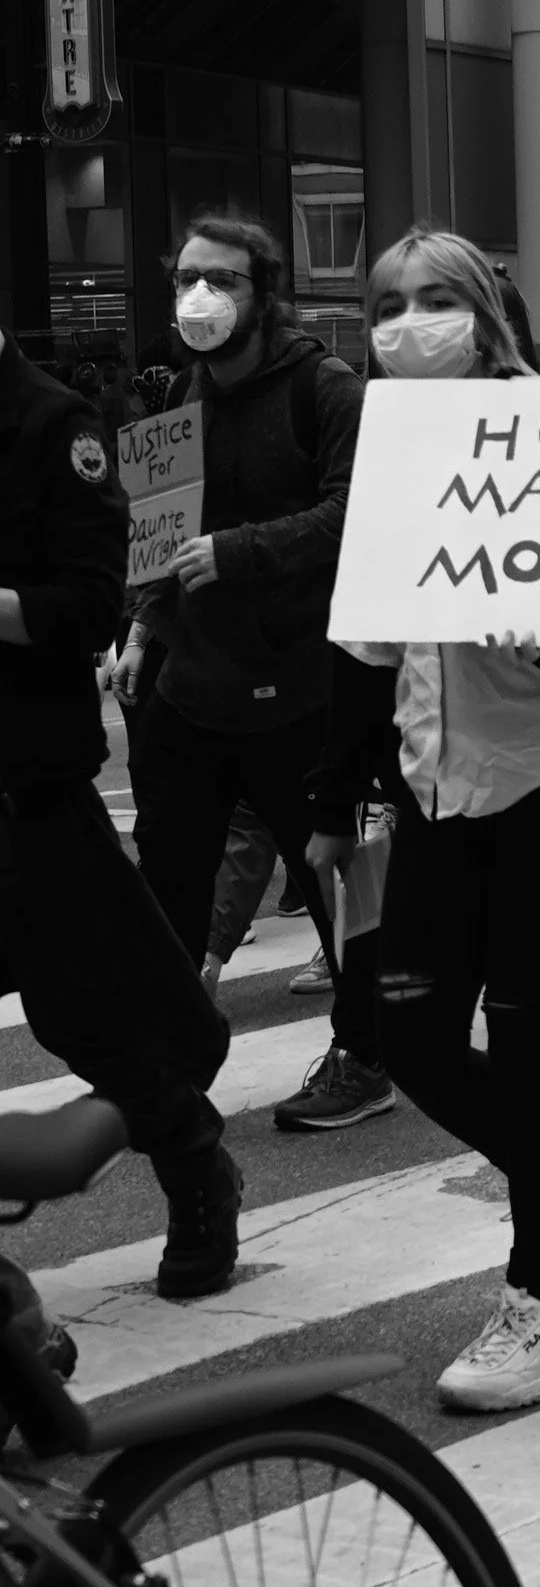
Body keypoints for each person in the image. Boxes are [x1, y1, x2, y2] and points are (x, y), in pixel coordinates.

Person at [306, 228, 540, 1410]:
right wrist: (334, 804)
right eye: (388, 301)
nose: (409, 320)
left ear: (484, 309)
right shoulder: (384, 447)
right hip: (431, 787)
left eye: (435, 297)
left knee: (528, 1038)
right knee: (412, 1038)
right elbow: (363, 647)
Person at [112, 214, 389, 1134]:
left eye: (222, 280)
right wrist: (147, 627)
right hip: (193, 689)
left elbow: (357, 513)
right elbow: (163, 540)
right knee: (170, 884)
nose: (201, 297)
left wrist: (242, 552)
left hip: (303, 690)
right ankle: (171, 1064)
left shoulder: (325, 389)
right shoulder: (177, 404)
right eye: (188, 277)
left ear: (263, 293)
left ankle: (367, 1053)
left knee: (331, 880)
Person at [0, 321, 238, 1297]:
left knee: (83, 1013)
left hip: (26, 783)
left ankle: (192, 1163)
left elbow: (87, 606)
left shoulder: (52, 425)